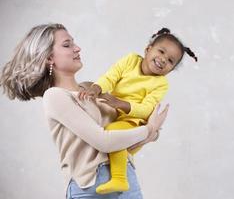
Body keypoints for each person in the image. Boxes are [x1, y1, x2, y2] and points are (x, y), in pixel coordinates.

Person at [0, 23, 169, 199]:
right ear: (50, 58)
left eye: (74, 43)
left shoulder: (91, 88)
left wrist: (151, 131)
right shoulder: (55, 96)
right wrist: (149, 130)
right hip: (90, 188)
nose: (77, 48)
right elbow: (104, 141)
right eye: (67, 45)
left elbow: (126, 130)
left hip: (127, 180)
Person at [78, 28, 197, 194]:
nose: (163, 59)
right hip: (116, 114)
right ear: (148, 49)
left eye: (170, 61)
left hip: (134, 121)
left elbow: (146, 109)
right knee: (106, 135)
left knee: (113, 133)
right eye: (161, 51)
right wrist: (96, 88)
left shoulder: (161, 83)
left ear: (171, 69)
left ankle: (120, 179)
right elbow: (111, 77)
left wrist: (120, 103)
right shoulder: (130, 60)